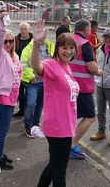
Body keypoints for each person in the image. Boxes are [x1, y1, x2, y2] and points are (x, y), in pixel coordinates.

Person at [31, 19, 80, 187]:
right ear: (57, 49)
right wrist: (37, 44)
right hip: (58, 128)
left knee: (54, 167)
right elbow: (36, 66)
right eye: (64, 47)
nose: (68, 51)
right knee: (60, 173)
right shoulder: (53, 65)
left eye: (71, 47)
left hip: (66, 126)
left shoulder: (67, 67)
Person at [0, 13, 22, 170]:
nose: (8, 44)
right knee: (2, 130)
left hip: (10, 98)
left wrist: (15, 99)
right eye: (5, 41)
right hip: (1, 97)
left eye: (11, 41)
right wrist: (2, 25)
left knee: (4, 129)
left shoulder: (14, 56)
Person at [69, 19, 103, 160]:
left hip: (68, 85)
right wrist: (101, 72)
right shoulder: (85, 44)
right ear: (86, 29)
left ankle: (66, 143)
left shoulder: (68, 40)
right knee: (90, 116)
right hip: (82, 87)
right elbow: (92, 68)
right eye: (89, 29)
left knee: (71, 117)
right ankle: (71, 145)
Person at [20, 30, 54, 137]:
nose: (42, 36)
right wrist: (31, 76)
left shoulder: (50, 46)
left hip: (46, 83)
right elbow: (23, 65)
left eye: (44, 34)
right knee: (30, 104)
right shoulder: (28, 48)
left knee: (40, 104)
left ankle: (35, 125)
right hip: (33, 83)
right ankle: (27, 125)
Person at [13, 21, 33, 117]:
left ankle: (29, 111)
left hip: (30, 70)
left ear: (29, 30)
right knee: (20, 91)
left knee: (30, 91)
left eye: (25, 29)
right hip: (18, 69)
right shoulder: (15, 40)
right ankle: (22, 109)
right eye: (22, 29)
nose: (23, 31)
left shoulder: (33, 40)